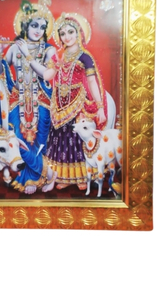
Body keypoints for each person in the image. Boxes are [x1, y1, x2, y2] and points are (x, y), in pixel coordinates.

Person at [0, 0, 57, 194]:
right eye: (34, 25)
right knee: (17, 141)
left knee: (40, 143)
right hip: (17, 102)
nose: (38, 30)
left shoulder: (49, 50)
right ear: (25, 25)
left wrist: (28, 54)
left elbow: (48, 74)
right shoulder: (15, 48)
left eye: (42, 27)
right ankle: (49, 173)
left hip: (41, 102)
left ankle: (36, 178)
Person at [43, 12, 108, 190]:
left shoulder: (85, 57)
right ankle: (64, 177)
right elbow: (47, 76)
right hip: (59, 103)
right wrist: (45, 63)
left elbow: (92, 82)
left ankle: (81, 177)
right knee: (60, 139)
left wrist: (100, 107)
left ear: (78, 33)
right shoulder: (58, 56)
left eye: (70, 32)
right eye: (62, 33)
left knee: (76, 138)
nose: (67, 37)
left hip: (78, 102)